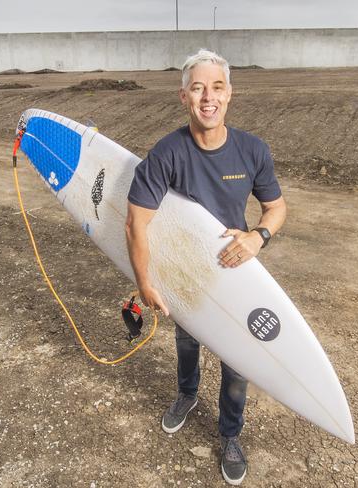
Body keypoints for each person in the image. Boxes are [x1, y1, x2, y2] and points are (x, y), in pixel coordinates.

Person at [125, 48, 287, 486]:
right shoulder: (166, 154)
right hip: (186, 270)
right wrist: (145, 283)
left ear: (229, 94)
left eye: (217, 87)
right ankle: (186, 394)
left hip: (234, 269)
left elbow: (276, 208)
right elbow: (136, 221)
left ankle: (230, 433)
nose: (208, 98)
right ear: (183, 96)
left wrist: (258, 236)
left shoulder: (253, 150)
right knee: (187, 340)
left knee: (237, 361)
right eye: (198, 88)